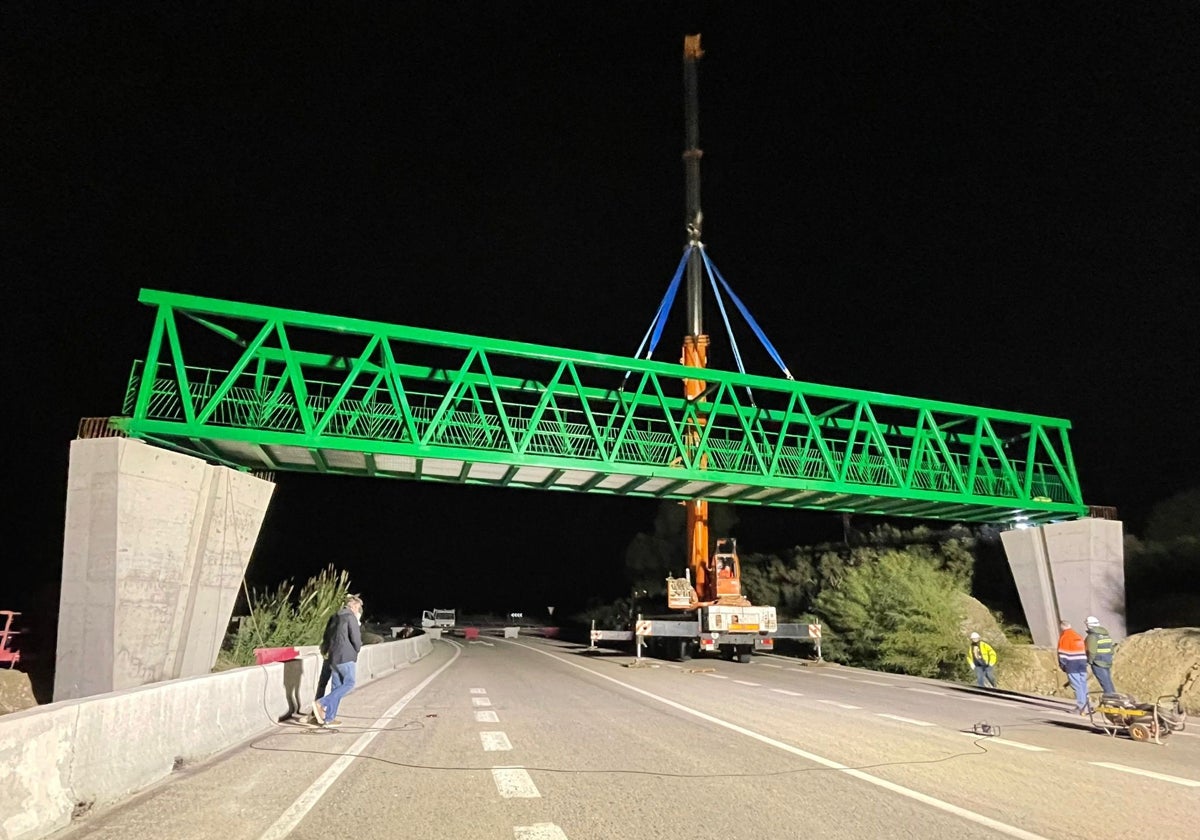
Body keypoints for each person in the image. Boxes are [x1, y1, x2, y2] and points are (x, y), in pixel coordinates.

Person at [312, 595, 364, 726]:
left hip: (333, 657)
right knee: (349, 683)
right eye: (358, 607)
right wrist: (357, 649)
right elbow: (356, 639)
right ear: (353, 606)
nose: (358, 610)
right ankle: (321, 703)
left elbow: (326, 635)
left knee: (336, 687)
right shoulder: (350, 617)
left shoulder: (334, 616)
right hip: (346, 657)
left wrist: (326, 650)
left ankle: (329, 718)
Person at [1057, 619, 1091, 714]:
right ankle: (1088, 705)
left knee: (1077, 685)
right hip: (1082, 663)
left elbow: (1062, 654)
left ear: (1062, 627)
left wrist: (1063, 666)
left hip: (1072, 664)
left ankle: (1081, 707)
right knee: (1083, 684)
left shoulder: (1064, 637)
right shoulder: (1077, 636)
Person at [1084, 615, 1117, 694]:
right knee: (1107, 680)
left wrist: (1090, 661)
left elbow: (1092, 651)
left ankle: (1111, 698)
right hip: (1107, 660)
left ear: (1088, 625)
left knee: (1104, 681)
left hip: (1098, 662)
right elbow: (1111, 649)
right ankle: (1113, 695)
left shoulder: (1092, 636)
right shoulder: (1105, 635)